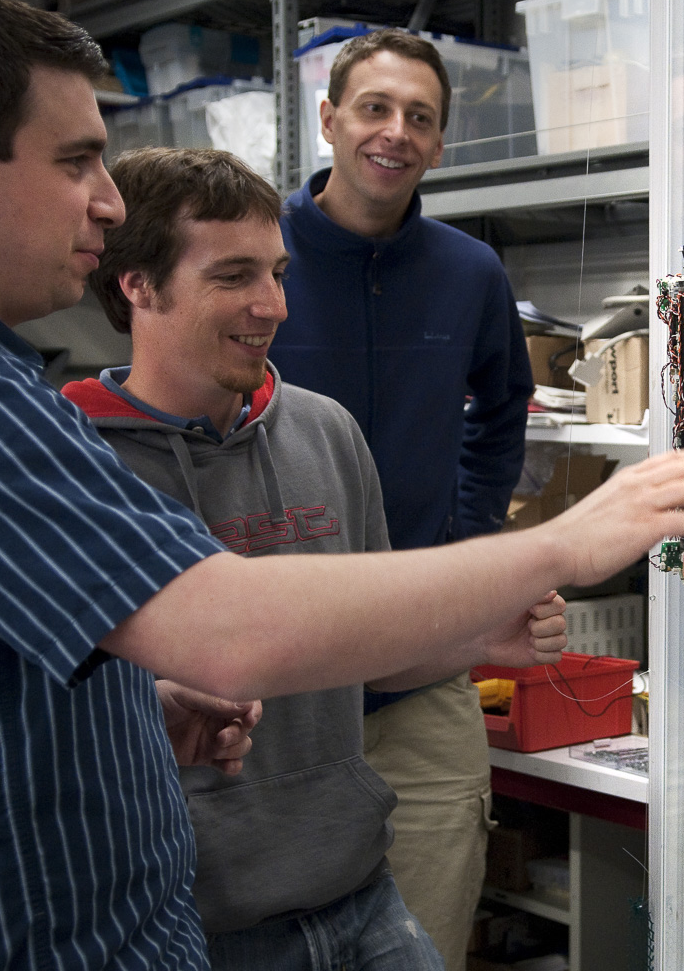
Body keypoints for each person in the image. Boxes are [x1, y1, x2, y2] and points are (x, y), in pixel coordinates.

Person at [0, 0, 684, 969]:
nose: (106, 201)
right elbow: (226, 626)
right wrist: (562, 541)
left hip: (331, 885)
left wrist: (135, 708)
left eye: (275, 274)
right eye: (77, 162)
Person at [64, 145, 488, 969]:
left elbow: (369, 651)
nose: (273, 306)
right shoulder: (71, 464)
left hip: (361, 894)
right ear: (137, 285)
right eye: (233, 277)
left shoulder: (325, 430)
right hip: (194, 925)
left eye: (278, 273)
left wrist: (479, 633)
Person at [267, 28, 535, 967]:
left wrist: (464, 540)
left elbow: (505, 408)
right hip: (274, 687)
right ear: (331, 120)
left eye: (420, 118)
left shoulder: (470, 274)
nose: (395, 132)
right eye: (375, 109)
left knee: (422, 941)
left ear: (441, 143)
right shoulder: (261, 260)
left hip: (423, 679)